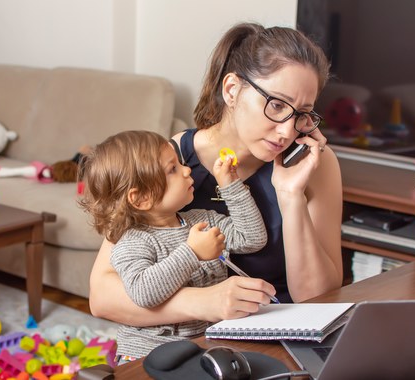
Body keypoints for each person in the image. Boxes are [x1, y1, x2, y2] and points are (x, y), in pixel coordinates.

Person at [89, 23, 343, 328]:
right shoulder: (175, 161)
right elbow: (102, 296)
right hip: (196, 337)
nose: (287, 131)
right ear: (232, 89)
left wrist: (291, 197)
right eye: (276, 105)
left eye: (302, 113)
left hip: (282, 330)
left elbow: (318, 300)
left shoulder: (316, 165)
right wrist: (206, 302)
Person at [78, 130, 267, 361]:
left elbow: (252, 238)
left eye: (181, 163)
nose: (187, 170)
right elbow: (143, 293)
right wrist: (192, 253)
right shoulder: (132, 241)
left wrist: (230, 184)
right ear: (140, 198)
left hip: (204, 348)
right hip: (149, 356)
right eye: (173, 169)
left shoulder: (202, 220)